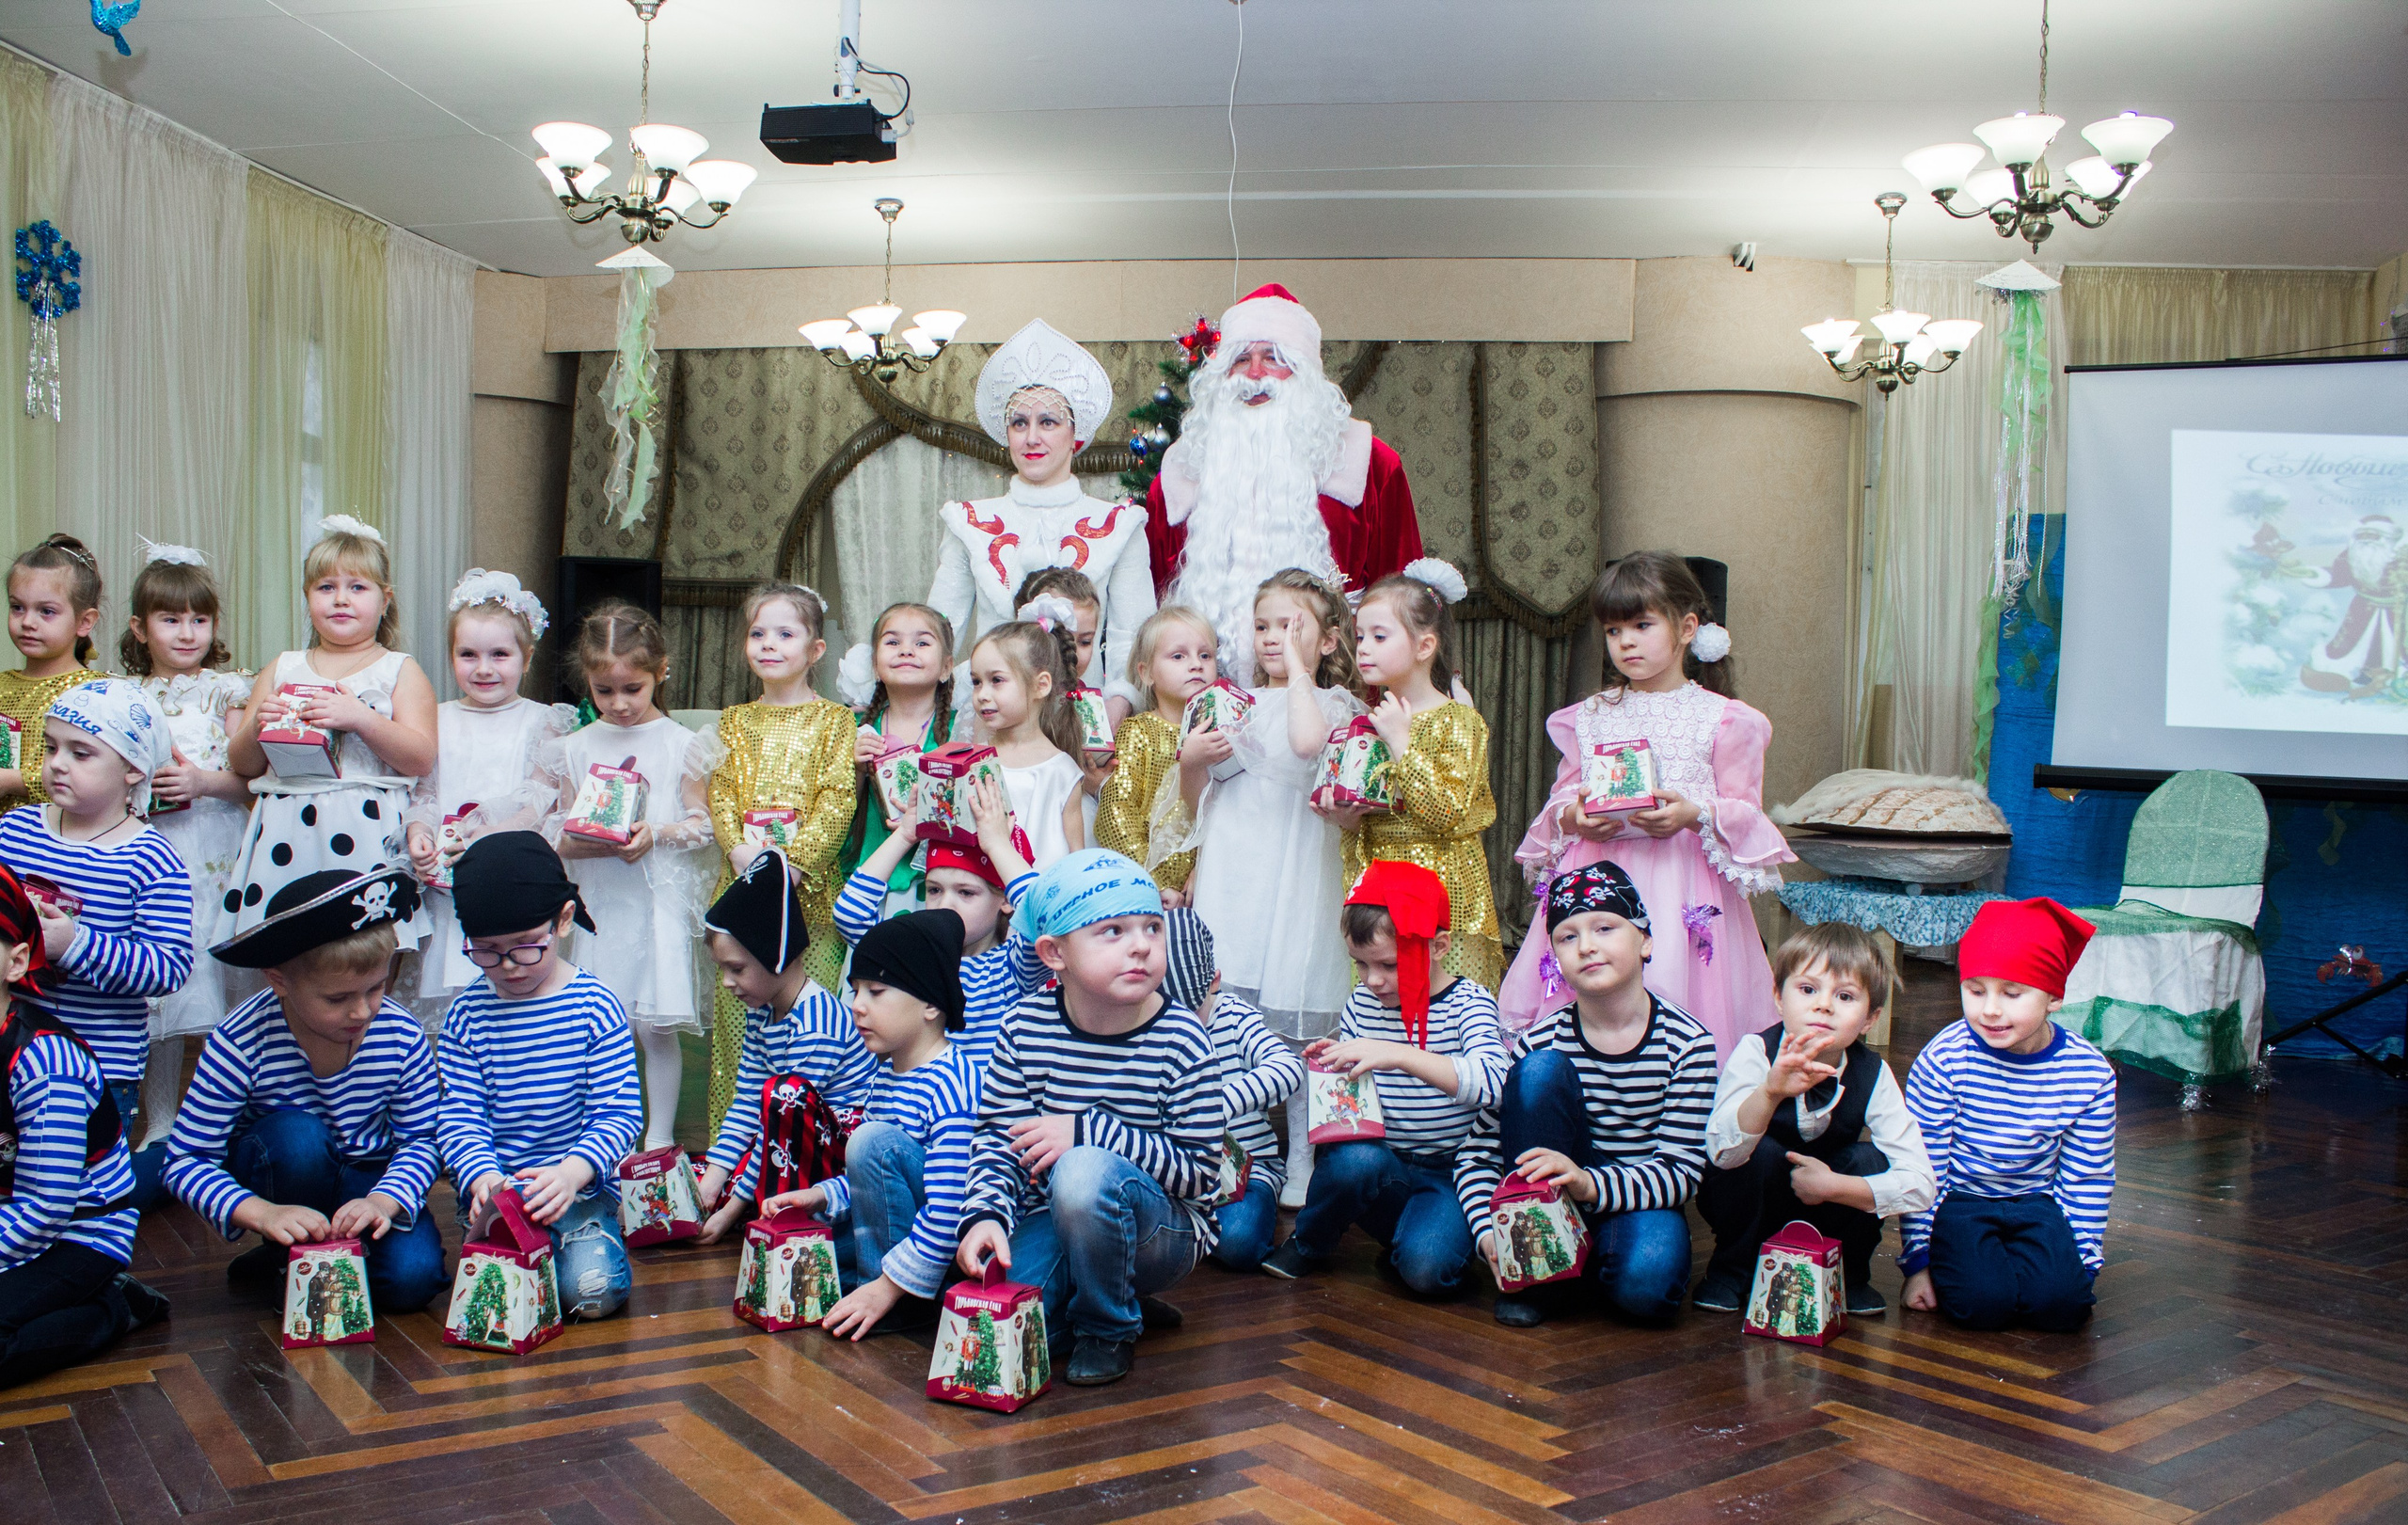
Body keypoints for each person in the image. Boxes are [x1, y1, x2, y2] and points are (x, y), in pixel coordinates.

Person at [1499, 552, 1791, 1058]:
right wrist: (1575, 817)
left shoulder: (1723, 718)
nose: (1626, 642)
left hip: (1683, 884)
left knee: (1673, 990)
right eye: (1613, 631)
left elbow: (1745, 812)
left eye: (1641, 625)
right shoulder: (1590, 715)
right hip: (1598, 877)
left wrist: (1693, 814)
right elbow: (1564, 797)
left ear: (1687, 628)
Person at [955, 849, 1220, 1388]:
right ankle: (1110, 1295)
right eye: (1113, 931)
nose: (1141, 945)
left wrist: (1087, 1131)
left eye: (1152, 927)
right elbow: (999, 1138)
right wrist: (984, 1214)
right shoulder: (1023, 1027)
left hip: (1163, 1231)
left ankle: (1108, 1325)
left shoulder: (1183, 1039)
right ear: (1055, 953)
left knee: (1082, 1171)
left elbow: (1200, 1175)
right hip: (1054, 1215)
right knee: (1001, 1323)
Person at [165, 866, 446, 1316]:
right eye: (337, 999)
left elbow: (422, 1140)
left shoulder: (400, 1034)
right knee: (299, 1139)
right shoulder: (240, 1040)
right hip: (285, 1170)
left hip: (370, 1177)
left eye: (376, 988)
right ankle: (288, 1250)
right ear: (279, 980)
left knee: (413, 1281)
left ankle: (304, 1258)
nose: (363, 1011)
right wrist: (263, 1214)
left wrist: (383, 1200)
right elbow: (185, 1161)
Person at [1453, 864, 1718, 1327]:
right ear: (1556, 957)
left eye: (1605, 928)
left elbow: (1681, 1172)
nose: (1587, 946)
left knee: (1649, 1290)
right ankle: (1546, 1272)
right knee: (1541, 1071)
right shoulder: (1539, 1041)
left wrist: (1588, 1184)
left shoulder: (1688, 1043)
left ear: (1646, 941)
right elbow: (1477, 1155)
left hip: (1637, 1198)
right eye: (1567, 937)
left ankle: (1581, 1262)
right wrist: (1488, 1234)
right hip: (1551, 1201)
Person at [1183, 569, 1367, 1205]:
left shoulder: (1335, 705)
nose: (1272, 638)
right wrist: (1190, 760)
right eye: (1263, 626)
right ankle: (1237, 1148)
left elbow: (1306, 741)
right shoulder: (1230, 700)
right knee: (1228, 1007)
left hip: (1297, 868)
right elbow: (1198, 798)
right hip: (1236, 866)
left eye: (1291, 627)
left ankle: (1303, 1155)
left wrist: (1298, 670)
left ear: (1328, 640)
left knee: (1298, 1011)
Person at [1145, 283, 1426, 683]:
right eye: (1241, 359)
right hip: (1205, 701)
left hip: (1339, 695)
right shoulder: (1179, 474)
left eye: (1273, 358)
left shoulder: (1370, 463)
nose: (1255, 374)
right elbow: (1153, 603)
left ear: (1304, 370)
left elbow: (1405, 596)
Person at [1263, 862, 1507, 1296]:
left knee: (1428, 1272)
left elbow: (1495, 1082)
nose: (1372, 980)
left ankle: (1415, 1241)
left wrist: (1398, 1055)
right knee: (1352, 1161)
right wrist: (1335, 1064)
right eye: (1360, 964)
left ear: (1438, 946)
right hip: (1384, 1164)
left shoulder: (1469, 1003)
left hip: (1453, 1173)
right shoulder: (1362, 1003)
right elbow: (1358, 1100)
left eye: (1389, 964)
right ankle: (1309, 1241)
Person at [435, 832, 643, 1323]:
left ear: (563, 920)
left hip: (577, 1192)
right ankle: (533, 1253)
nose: (508, 966)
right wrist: (483, 1177)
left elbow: (618, 1114)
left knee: (593, 1296)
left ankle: (575, 1243)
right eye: (487, 950)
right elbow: (460, 1117)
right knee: (500, 1304)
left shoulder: (595, 1006)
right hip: (500, 1195)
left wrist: (572, 1173)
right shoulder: (466, 1016)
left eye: (525, 947)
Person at [0, 679, 193, 1205]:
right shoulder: (15, 830)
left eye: (81, 753)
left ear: (133, 769)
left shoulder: (151, 859)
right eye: (51, 748)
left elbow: (169, 967)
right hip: (11, 1054)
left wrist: (75, 944)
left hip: (98, 1066)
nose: (57, 764)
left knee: (80, 1196)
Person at [542, 603, 718, 1151]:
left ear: (661, 671)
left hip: (655, 903)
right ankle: (599, 1139)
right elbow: (558, 833)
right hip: (600, 904)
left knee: (654, 1026)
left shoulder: (681, 744)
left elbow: (703, 825)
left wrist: (656, 833)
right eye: (604, 691)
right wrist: (591, 840)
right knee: (598, 1026)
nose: (618, 704)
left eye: (632, 689)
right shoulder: (574, 748)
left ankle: (658, 1141)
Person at [1697, 922, 1935, 1318]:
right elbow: (1722, 1153)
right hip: (1755, 1206)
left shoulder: (1873, 1072)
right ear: (1779, 997)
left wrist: (1834, 1186)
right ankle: (1731, 1271)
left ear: (1870, 1018)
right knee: (1758, 1153)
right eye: (1808, 989)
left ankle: (1847, 1276)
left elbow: (1920, 1184)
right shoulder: (1756, 1051)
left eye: (1845, 996)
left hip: (1830, 1207)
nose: (1824, 1005)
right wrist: (1769, 1092)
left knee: (1870, 1159)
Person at [1899, 898, 2115, 1333]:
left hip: (2038, 1203)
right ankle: (1984, 1268)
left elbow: (2086, 1178)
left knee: (2064, 1308)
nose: (1991, 1010)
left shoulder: (2089, 1073)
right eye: (1976, 990)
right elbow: (1922, 1166)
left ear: (2054, 997)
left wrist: (2079, 1264)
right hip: (1960, 1201)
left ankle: (2021, 1268)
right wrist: (1918, 1263)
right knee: (1982, 1307)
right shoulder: (1945, 1058)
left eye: (2012, 994)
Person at [222, 516, 438, 949]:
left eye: (357, 587)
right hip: (285, 830)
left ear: (385, 600)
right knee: (287, 946)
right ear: (307, 597)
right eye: (325, 587)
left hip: (366, 829)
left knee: (366, 947)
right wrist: (258, 724)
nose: (341, 599)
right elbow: (242, 765)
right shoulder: (282, 667)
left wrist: (361, 718)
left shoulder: (399, 669)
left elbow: (420, 757)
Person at [768, 910, 981, 1341]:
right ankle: (873, 1283)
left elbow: (949, 1208)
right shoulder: (884, 1075)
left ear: (931, 1004)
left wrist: (886, 1287)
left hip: (941, 1246)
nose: (857, 1006)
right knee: (807, 1250)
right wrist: (820, 1196)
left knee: (871, 1141)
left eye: (876, 991)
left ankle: (898, 1296)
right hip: (901, 1235)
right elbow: (871, 1183)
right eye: (856, 990)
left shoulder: (953, 1083)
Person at [928, 319, 1152, 718]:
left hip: (1085, 719)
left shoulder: (1120, 525)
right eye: (1019, 423)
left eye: (1048, 421)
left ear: (1075, 435)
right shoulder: (969, 521)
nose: (1032, 437)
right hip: (989, 719)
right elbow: (938, 634)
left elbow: (1133, 641)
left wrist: (1110, 719)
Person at [0, 864, 167, 1388]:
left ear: (16, 961)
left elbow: (46, 1208)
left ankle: (115, 1306)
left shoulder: (45, 1066)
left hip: (76, 1233)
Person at [704, 582, 857, 1129]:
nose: (769, 644)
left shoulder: (837, 720)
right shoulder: (733, 720)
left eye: (785, 634)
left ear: (816, 649)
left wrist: (793, 863)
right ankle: (731, 1153)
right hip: (742, 887)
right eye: (758, 633)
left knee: (808, 1022)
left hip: (809, 897)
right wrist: (740, 850)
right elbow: (721, 791)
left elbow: (838, 798)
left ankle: (809, 1148)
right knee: (739, 1022)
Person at [120, 542, 257, 1150]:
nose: (187, 632)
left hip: (218, 851)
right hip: (154, 852)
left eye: (200, 619)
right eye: (170, 619)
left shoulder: (227, 692)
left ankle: (229, 1121)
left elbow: (252, 782)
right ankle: (161, 1121)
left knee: (223, 981)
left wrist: (202, 782)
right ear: (140, 628)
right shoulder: (127, 695)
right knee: (165, 989)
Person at [1312, 562, 1502, 990]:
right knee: (1381, 997)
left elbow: (1445, 813)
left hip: (1443, 896)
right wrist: (1348, 821)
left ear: (1424, 645)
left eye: (1380, 637)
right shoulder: (1367, 724)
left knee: (1442, 1005)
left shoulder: (1458, 721)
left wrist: (1401, 741)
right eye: (1360, 636)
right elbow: (1373, 820)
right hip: (1380, 897)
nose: (1363, 648)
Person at [404, 570, 577, 1027]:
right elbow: (425, 792)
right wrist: (419, 833)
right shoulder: (435, 719)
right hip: (445, 886)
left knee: (515, 1000)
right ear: (451, 656)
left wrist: (488, 838)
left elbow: (539, 801)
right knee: (452, 1005)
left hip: (511, 881)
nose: (484, 668)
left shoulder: (544, 722)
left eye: (500, 654)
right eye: (468, 655)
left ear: (527, 656)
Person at [694, 849, 878, 1243]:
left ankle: (790, 1217)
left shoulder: (816, 1023)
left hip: (840, 1151)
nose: (727, 982)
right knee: (696, 1173)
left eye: (737, 968)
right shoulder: (762, 1011)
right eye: (723, 969)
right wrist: (712, 1180)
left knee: (785, 1095)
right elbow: (749, 1101)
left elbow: (783, 1121)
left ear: (775, 957)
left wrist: (729, 1211)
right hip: (787, 1139)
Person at [834, 772, 1040, 1064]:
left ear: (1006, 899)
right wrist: (904, 836)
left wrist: (998, 846)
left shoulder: (1012, 968)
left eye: (966, 893)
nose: (945, 905)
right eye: (934, 890)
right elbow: (850, 914)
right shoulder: (914, 958)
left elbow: (1044, 917)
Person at [1158, 910, 1300, 1272]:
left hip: (1247, 1173)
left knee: (1238, 1241)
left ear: (1214, 982)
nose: (1183, 1028)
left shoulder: (1235, 1017)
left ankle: (1191, 1236)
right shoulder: (1149, 1029)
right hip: (1175, 1176)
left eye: (1192, 1012)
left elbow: (1288, 1067)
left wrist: (1218, 1104)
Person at [834, 601, 955, 916]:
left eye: (922, 643)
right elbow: (835, 815)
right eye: (892, 642)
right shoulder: (854, 730)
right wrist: (857, 771)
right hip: (868, 883)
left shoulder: (961, 730)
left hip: (936, 885)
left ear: (946, 667)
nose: (906, 650)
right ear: (875, 665)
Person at [1093, 606, 1218, 901]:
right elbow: (1116, 813)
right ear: (1146, 672)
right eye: (1178, 656)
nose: (1196, 665)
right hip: (1146, 893)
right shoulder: (1138, 730)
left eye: (1205, 655)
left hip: (1205, 889)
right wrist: (1152, 883)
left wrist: (1205, 868)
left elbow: (1223, 815)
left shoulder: (1220, 737)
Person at [968, 617, 1093, 867]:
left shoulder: (1062, 771)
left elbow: (1077, 857)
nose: (982, 694)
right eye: (976, 682)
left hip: (1042, 887)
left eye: (996, 680)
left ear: (1041, 685)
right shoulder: (973, 761)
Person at [0, 534, 105, 817]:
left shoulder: (96, 693)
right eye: (17, 607)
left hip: (60, 835)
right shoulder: (1, 685)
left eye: (46, 611)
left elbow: (101, 779)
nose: (27, 622)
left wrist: (13, 781)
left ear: (85, 621)